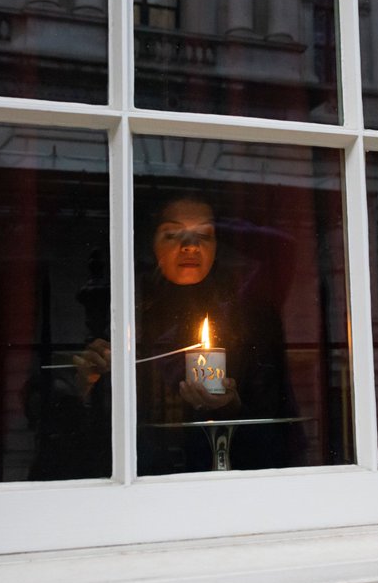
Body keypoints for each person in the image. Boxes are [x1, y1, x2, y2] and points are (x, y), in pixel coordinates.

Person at [70, 195, 299, 475]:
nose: (190, 245)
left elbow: (274, 429)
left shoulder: (244, 311)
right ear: (151, 245)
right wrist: (87, 386)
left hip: (223, 473)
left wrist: (231, 407)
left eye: (204, 235)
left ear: (218, 245)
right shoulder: (124, 312)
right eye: (172, 234)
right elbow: (91, 423)